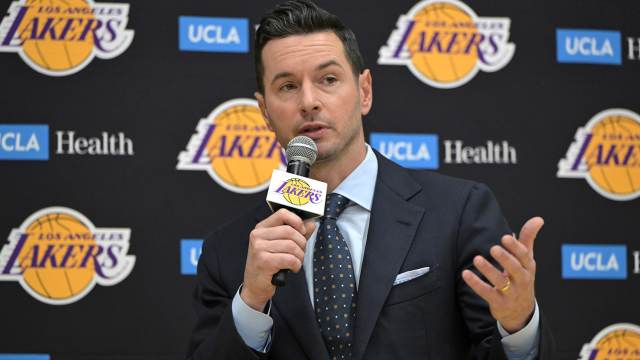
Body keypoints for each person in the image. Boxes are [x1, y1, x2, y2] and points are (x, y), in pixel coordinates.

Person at [186, 1, 554, 359]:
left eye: (328, 79)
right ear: (264, 111)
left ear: (364, 91)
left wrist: (518, 325)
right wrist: (251, 302)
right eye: (287, 87)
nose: (309, 101)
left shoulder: (458, 213)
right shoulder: (228, 252)